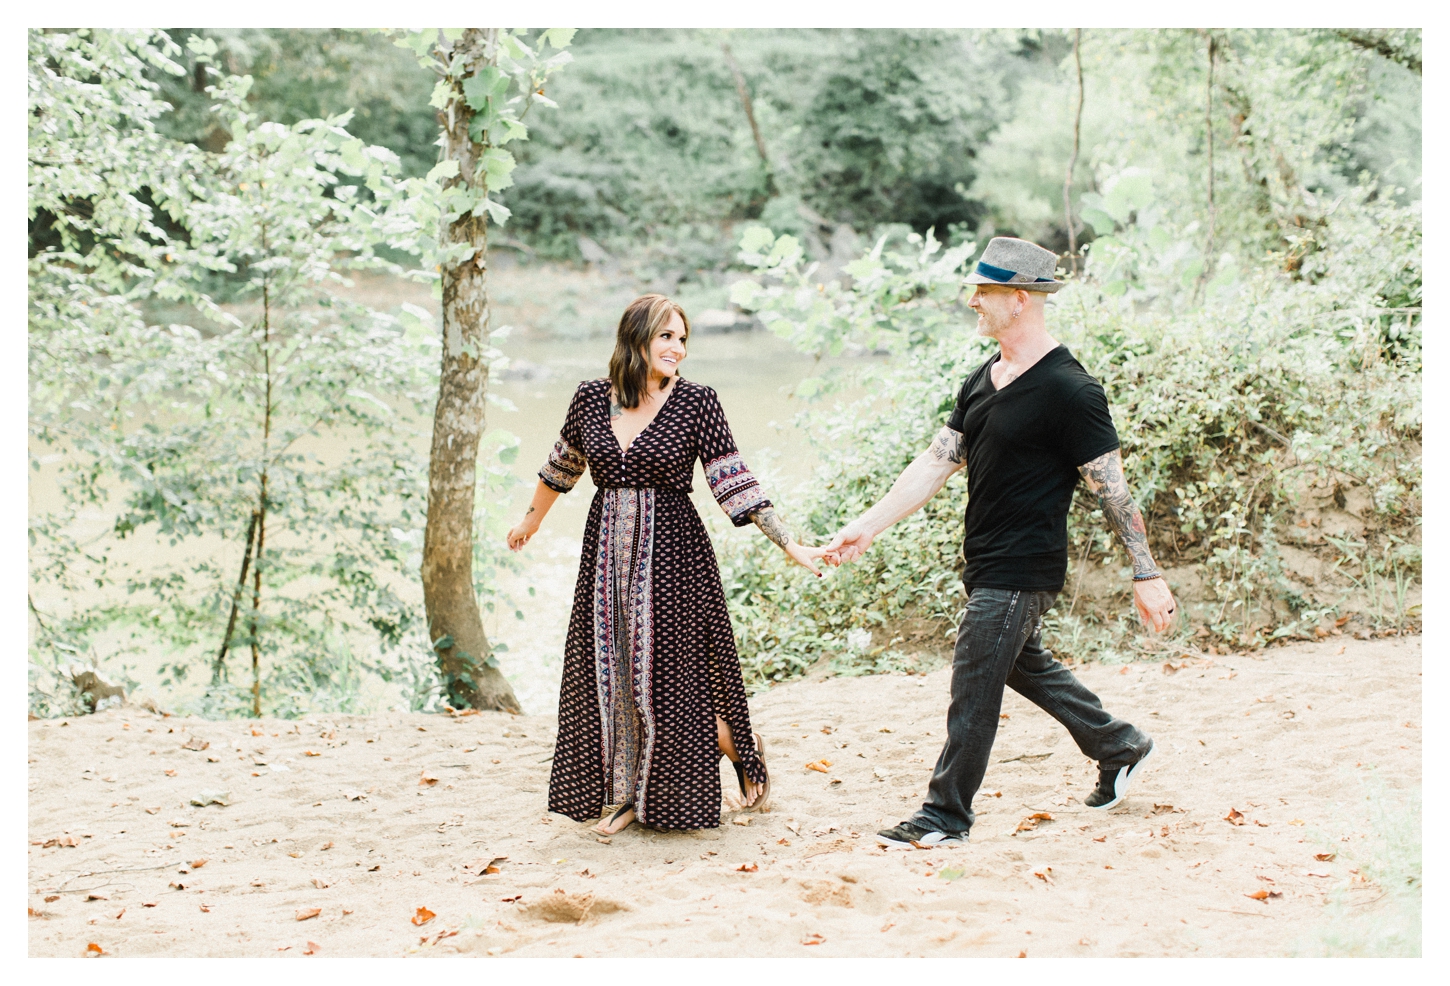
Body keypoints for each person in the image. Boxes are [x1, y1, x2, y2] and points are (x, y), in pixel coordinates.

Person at [822, 237, 1177, 849]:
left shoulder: (1071, 390)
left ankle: (944, 816)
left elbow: (1112, 490)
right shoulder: (983, 378)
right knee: (1017, 665)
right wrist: (868, 524)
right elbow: (936, 462)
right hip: (985, 561)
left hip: (1023, 565)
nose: (972, 302)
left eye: (983, 291)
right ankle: (1119, 744)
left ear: (1018, 299)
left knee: (973, 676)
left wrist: (1146, 574)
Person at [508, 294, 831, 836]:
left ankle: (740, 748)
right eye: (666, 336)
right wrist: (531, 521)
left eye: (683, 338)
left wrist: (789, 543)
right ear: (635, 338)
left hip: (676, 558)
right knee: (615, 675)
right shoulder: (590, 399)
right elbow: (561, 467)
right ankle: (628, 795)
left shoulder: (697, 403)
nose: (677, 348)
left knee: (675, 680)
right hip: (606, 555)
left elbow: (734, 482)